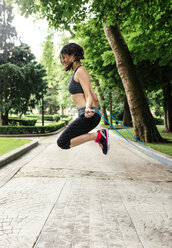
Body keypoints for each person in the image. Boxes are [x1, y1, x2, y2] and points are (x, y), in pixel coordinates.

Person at [57, 43, 109, 155]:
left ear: (73, 55)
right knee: (63, 142)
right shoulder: (78, 72)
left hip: (87, 115)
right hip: (89, 114)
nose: (63, 60)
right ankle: (100, 136)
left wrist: (88, 109)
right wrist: (96, 110)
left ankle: (99, 136)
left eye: (64, 57)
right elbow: (94, 96)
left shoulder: (81, 71)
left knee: (62, 142)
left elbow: (89, 95)